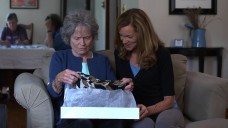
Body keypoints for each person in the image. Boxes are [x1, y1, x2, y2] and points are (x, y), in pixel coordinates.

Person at [47, 10, 133, 128]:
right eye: (77, 38)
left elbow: (113, 92)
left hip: (100, 114)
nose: (82, 43)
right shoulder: (59, 57)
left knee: (117, 122)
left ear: (93, 38)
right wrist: (58, 80)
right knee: (83, 123)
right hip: (71, 117)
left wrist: (124, 86)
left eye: (87, 37)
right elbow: (53, 94)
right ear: (68, 38)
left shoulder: (102, 60)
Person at [114, 8, 185, 128]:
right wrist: (123, 86)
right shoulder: (120, 54)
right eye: (121, 36)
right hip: (138, 113)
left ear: (142, 34)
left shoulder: (162, 54)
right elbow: (118, 94)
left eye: (129, 37)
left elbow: (169, 100)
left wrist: (148, 110)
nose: (124, 41)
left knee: (164, 123)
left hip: (165, 109)